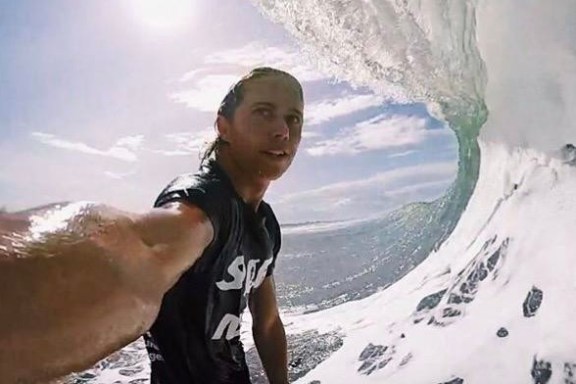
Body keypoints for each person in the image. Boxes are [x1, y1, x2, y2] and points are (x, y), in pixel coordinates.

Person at [0, 67, 303, 384]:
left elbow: (266, 322)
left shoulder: (266, 224)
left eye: (293, 118)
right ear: (223, 127)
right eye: (263, 112)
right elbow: (145, 246)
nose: (282, 129)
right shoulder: (203, 202)